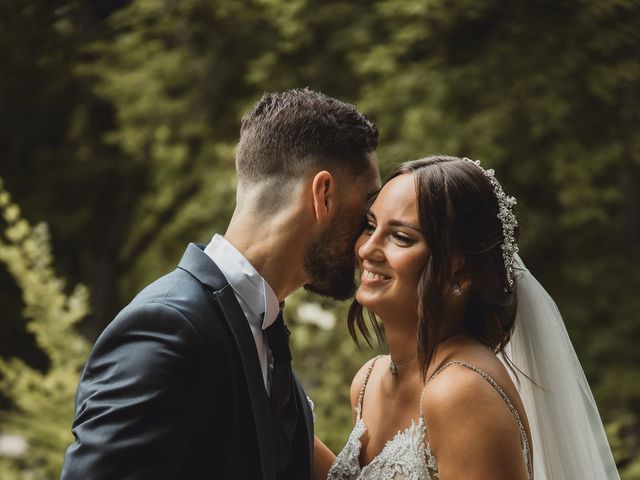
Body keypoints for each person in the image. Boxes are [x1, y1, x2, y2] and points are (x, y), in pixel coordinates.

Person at [60, 88, 381, 480]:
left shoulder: (262, 329)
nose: (369, 237)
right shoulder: (166, 327)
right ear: (323, 195)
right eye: (367, 208)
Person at [315, 155, 620, 479]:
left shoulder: (461, 391)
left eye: (401, 237)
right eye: (371, 226)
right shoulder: (368, 382)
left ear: (459, 270)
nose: (366, 249)